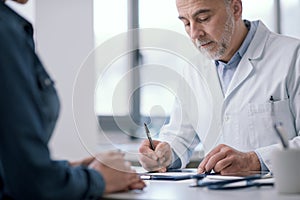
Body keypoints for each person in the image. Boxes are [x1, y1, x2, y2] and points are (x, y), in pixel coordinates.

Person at [0, 0, 145, 199]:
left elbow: (11, 168)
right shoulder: (6, 33)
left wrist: (69, 170)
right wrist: (98, 179)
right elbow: (31, 184)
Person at [139, 0, 300, 175]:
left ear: (235, 9)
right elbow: (180, 137)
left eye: (203, 18)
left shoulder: (293, 56)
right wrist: (163, 155)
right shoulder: (193, 71)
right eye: (186, 23)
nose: (194, 33)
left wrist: (254, 160)